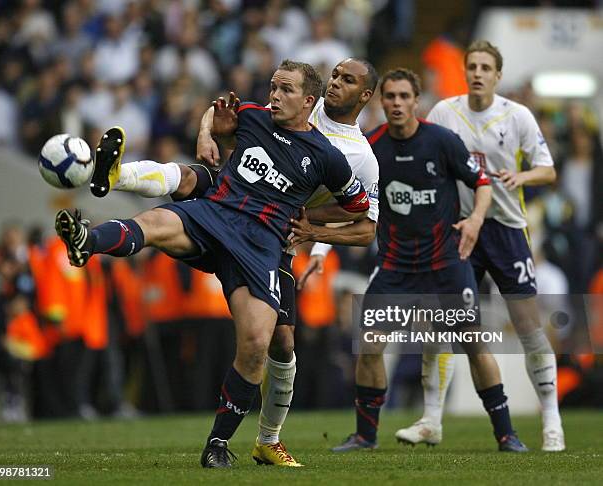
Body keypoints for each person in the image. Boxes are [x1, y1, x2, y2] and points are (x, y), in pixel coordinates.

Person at [55, 59, 370, 468]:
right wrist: (207, 131)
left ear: (308, 100)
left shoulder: (331, 157)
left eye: (285, 89)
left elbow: (360, 210)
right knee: (156, 221)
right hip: (216, 214)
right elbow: (216, 111)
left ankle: (218, 444)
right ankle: (87, 239)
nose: (274, 95)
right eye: (273, 86)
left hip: (261, 246)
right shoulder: (255, 117)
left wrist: (313, 227)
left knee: (257, 344)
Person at [294, 68, 528, 452]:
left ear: (416, 101)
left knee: (473, 344)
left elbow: (482, 183)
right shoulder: (370, 150)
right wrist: (320, 249)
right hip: (394, 267)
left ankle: (507, 434)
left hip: (445, 265)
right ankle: (365, 436)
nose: (397, 103)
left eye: (404, 96)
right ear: (379, 100)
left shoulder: (442, 142)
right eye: (391, 97)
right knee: (369, 344)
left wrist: (475, 219)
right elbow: (351, 207)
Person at [397, 40, 564, 452]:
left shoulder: (517, 115)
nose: (477, 73)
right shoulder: (444, 113)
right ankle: (432, 419)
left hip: (507, 229)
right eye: (472, 66)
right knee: (442, 324)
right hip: (460, 231)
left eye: (485, 67)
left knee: (528, 326)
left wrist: (520, 178)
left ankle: (552, 421)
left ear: (497, 75)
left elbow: (548, 170)